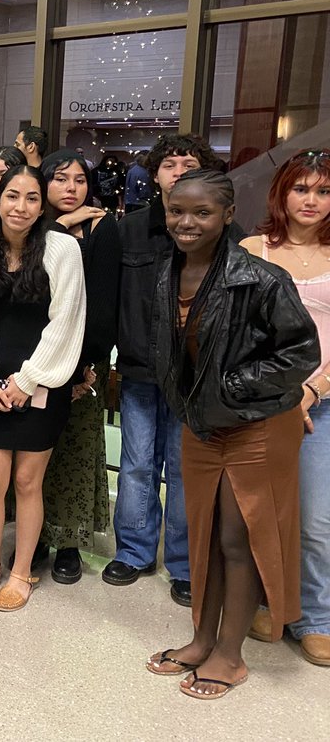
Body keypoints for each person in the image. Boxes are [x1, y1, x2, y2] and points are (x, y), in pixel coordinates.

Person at [145, 169, 318, 699]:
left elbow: (301, 354)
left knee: (236, 538)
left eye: (201, 213)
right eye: (178, 211)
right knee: (204, 534)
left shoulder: (261, 278)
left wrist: (233, 386)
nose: (186, 222)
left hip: (256, 426)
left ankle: (231, 654)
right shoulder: (165, 272)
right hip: (203, 423)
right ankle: (201, 640)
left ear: (225, 216)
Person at [0, 165, 85, 610]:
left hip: (43, 382)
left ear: (42, 204)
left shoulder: (63, 249)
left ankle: (21, 571)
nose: (21, 207)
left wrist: (27, 382)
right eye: (12, 196)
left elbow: (66, 322)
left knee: (29, 482)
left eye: (32, 198)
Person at [107, 133, 226, 605]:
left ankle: (183, 562)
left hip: (196, 374)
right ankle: (134, 552)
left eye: (189, 163)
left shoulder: (221, 231)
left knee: (184, 468)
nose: (178, 170)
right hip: (138, 368)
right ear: (155, 175)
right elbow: (110, 300)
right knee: (136, 464)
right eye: (169, 164)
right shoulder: (128, 228)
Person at [241, 150, 330, 667]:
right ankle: (271, 602)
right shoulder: (255, 248)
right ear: (283, 193)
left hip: (322, 402)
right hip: (265, 401)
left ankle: (316, 615)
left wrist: (313, 389)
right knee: (262, 513)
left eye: (322, 191)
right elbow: (240, 330)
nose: (312, 201)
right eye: (302, 189)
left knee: (316, 518)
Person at [37, 149, 120, 583]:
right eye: (60, 179)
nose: (71, 189)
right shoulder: (31, 221)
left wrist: (87, 365)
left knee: (74, 448)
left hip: (82, 361)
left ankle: (68, 541)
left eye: (79, 180)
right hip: (33, 357)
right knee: (31, 451)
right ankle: (33, 536)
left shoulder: (104, 229)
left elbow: (105, 303)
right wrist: (59, 227)